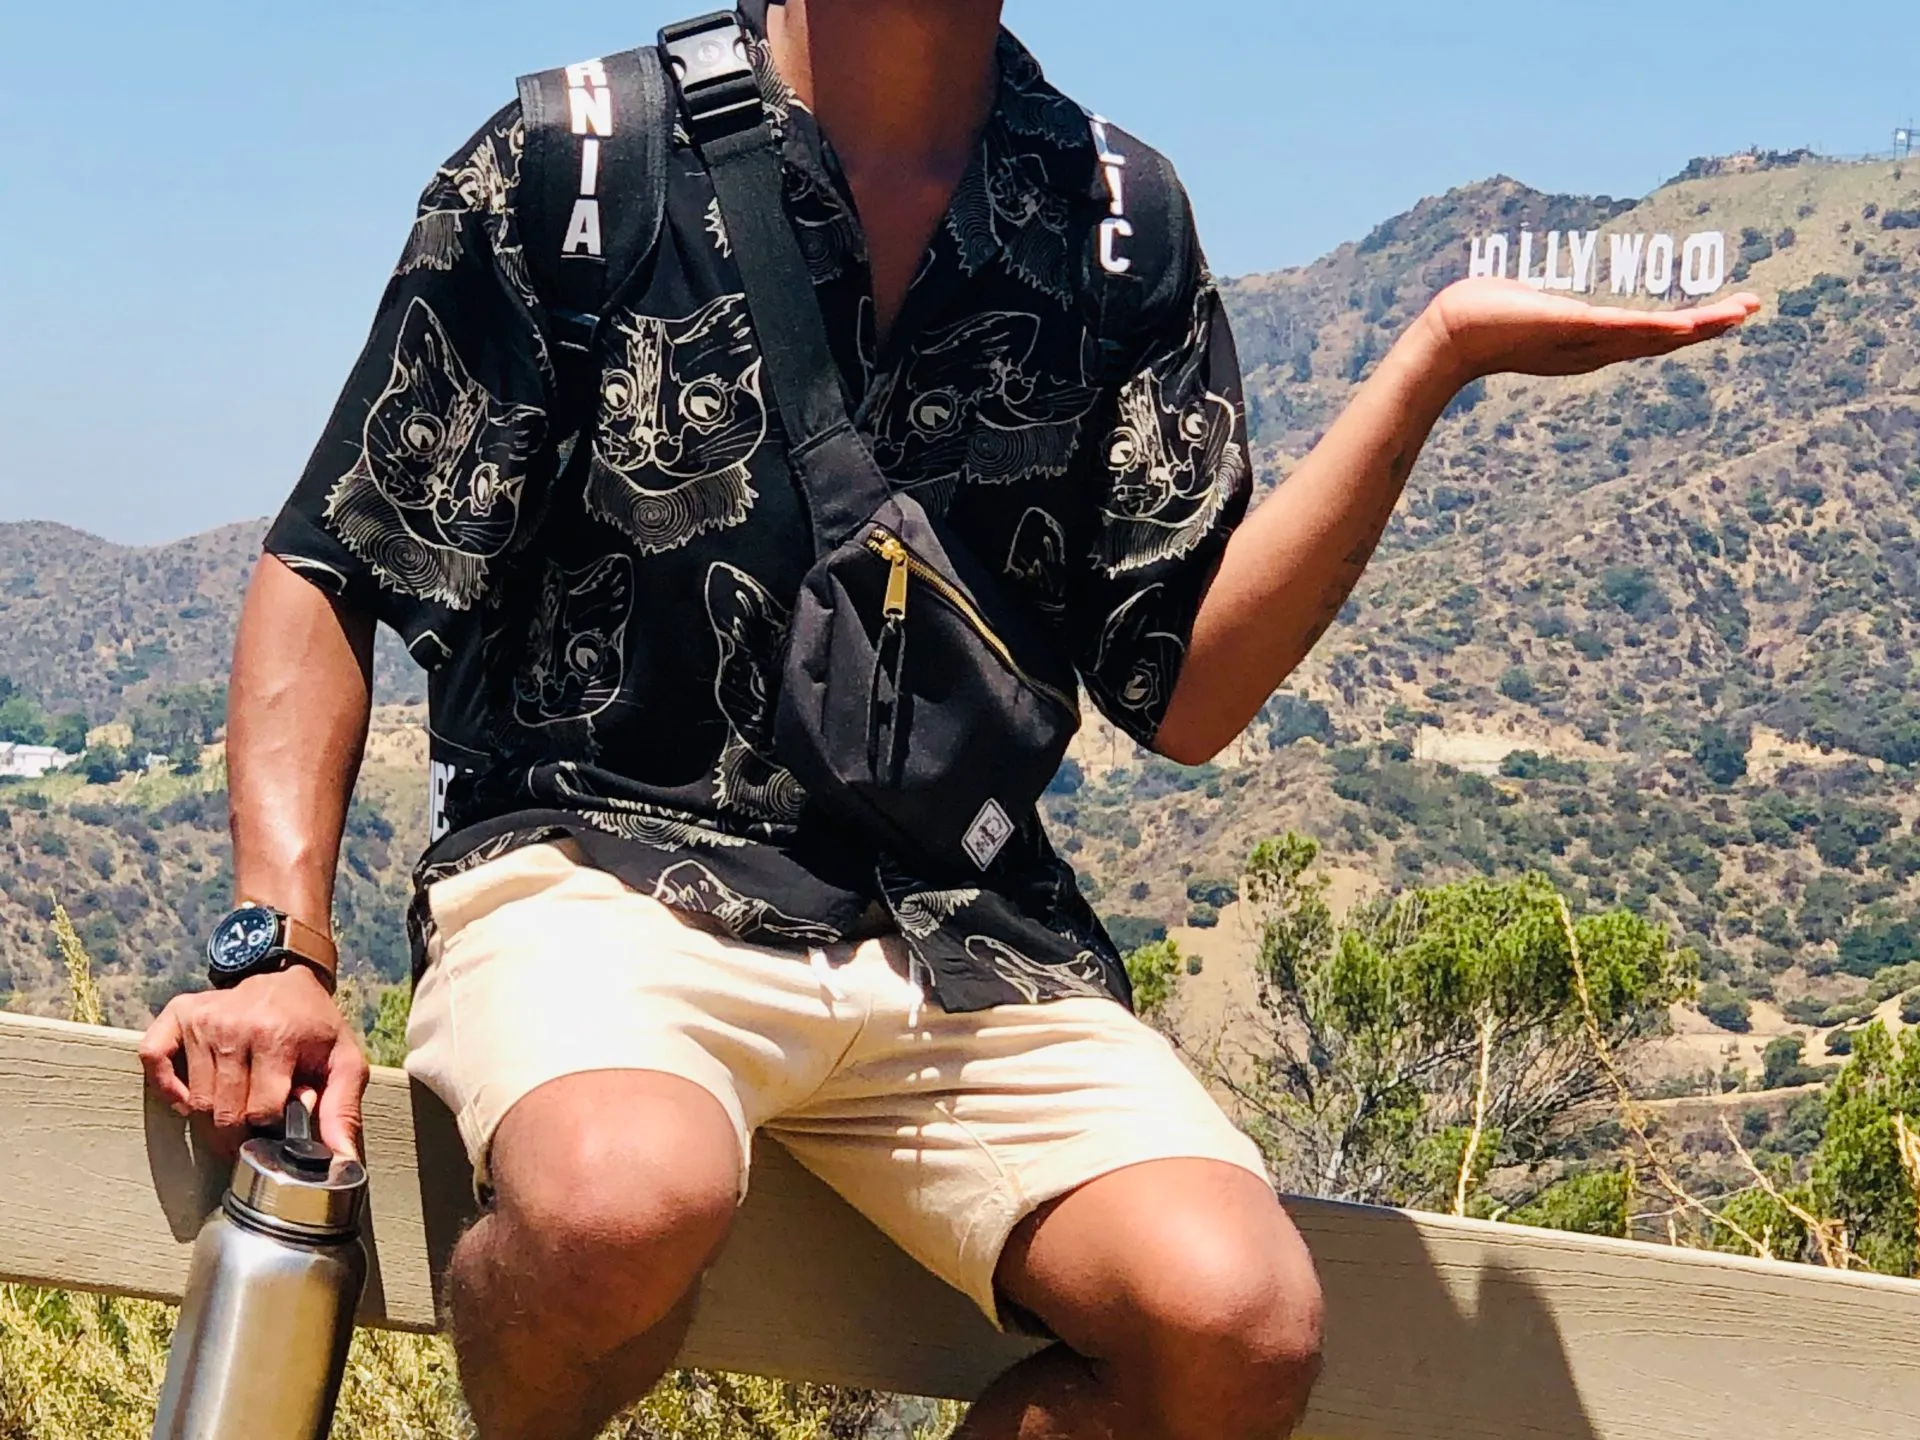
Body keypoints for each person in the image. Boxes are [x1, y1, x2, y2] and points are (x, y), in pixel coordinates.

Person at [139, 2, 1757, 1437]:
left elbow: (1182, 690)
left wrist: (1431, 361)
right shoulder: (581, 159)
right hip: (603, 870)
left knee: (1233, 1325)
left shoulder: (1113, 215)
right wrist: (280, 945)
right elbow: (332, 559)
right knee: (624, 1200)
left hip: (962, 931)